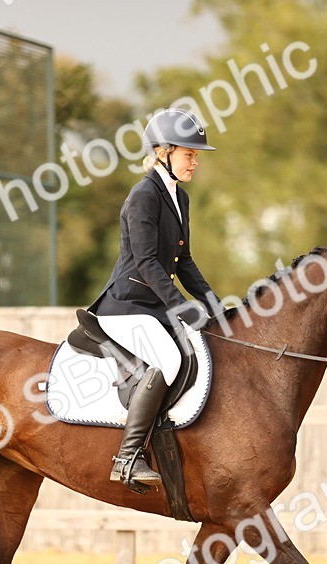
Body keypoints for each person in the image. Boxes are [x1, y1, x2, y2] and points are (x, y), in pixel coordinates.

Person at [87, 108, 221, 488]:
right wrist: (182, 307)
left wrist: (214, 304)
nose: (195, 161)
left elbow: (184, 261)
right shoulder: (144, 196)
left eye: (195, 155)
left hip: (154, 308)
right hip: (126, 305)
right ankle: (127, 458)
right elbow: (146, 262)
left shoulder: (180, 198)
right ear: (163, 151)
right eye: (189, 153)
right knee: (169, 358)